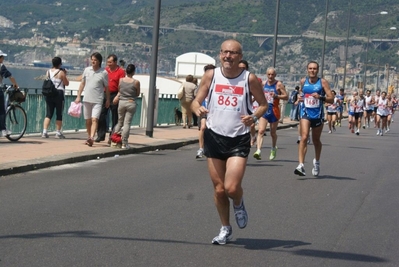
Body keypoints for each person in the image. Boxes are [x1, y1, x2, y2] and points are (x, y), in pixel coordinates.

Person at [191, 39, 267, 245]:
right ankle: (225, 228)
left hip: (238, 138)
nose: (228, 56)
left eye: (233, 53)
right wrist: (197, 108)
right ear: (220, 54)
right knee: (218, 189)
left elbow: (263, 104)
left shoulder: (249, 79)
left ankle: (239, 203)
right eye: (225, 52)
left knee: (231, 188)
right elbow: (196, 100)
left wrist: (254, 116)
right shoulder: (211, 75)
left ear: (239, 57)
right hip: (214, 136)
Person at [294, 61, 333, 177]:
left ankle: (316, 161)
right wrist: (300, 98)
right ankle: (301, 165)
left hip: (317, 115)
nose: (312, 70)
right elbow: (302, 94)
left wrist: (320, 97)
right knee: (304, 137)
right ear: (307, 69)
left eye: (315, 68)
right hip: (305, 112)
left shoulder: (323, 82)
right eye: (310, 68)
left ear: (318, 70)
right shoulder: (303, 81)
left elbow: (331, 99)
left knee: (316, 140)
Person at [75, 52, 110, 147]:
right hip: (87, 98)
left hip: (98, 100)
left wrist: (108, 99)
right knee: (88, 120)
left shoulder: (104, 73)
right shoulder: (87, 70)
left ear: (99, 62)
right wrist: (78, 96)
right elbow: (82, 83)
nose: (93, 61)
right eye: (92, 59)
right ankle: (89, 136)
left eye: (95, 60)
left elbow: (107, 87)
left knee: (95, 119)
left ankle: (91, 138)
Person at [253, 67, 288, 161]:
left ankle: (273, 148)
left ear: (275, 75)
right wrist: (252, 100)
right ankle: (258, 151)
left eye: (272, 74)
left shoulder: (278, 84)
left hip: (274, 110)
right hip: (264, 110)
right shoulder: (263, 84)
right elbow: (258, 94)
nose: (270, 76)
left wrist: (277, 96)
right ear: (266, 74)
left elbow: (286, 96)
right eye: (269, 74)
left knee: (273, 133)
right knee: (261, 131)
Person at [96, 54, 125, 143]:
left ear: (115, 62)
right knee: (101, 114)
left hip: (115, 94)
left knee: (115, 117)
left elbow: (122, 85)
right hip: (105, 93)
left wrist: (118, 96)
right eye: (107, 62)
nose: (108, 64)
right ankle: (101, 135)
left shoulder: (120, 72)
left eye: (110, 62)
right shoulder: (105, 71)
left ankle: (112, 136)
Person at [113, 64, 140, 149]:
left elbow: (119, 90)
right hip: (131, 102)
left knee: (119, 122)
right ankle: (124, 143)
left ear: (126, 71)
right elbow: (138, 93)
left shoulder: (121, 80)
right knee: (127, 123)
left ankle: (114, 140)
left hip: (121, 102)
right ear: (133, 72)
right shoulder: (136, 82)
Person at [41, 56, 70, 139]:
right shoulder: (61, 73)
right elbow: (66, 83)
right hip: (59, 94)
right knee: (59, 114)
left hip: (49, 93)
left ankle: (44, 131)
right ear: (60, 64)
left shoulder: (48, 72)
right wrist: (65, 74)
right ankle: (57, 132)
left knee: (48, 114)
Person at [196, 64, 216, 159]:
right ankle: (201, 148)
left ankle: (212, 148)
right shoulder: (202, 83)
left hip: (214, 110)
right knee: (203, 127)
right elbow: (197, 97)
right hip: (204, 108)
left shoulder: (218, 82)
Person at [0, 50, 19, 137]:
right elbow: (10, 77)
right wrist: (15, 84)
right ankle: (3, 130)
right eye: (2, 57)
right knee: (2, 111)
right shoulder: (1, 66)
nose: (3, 58)